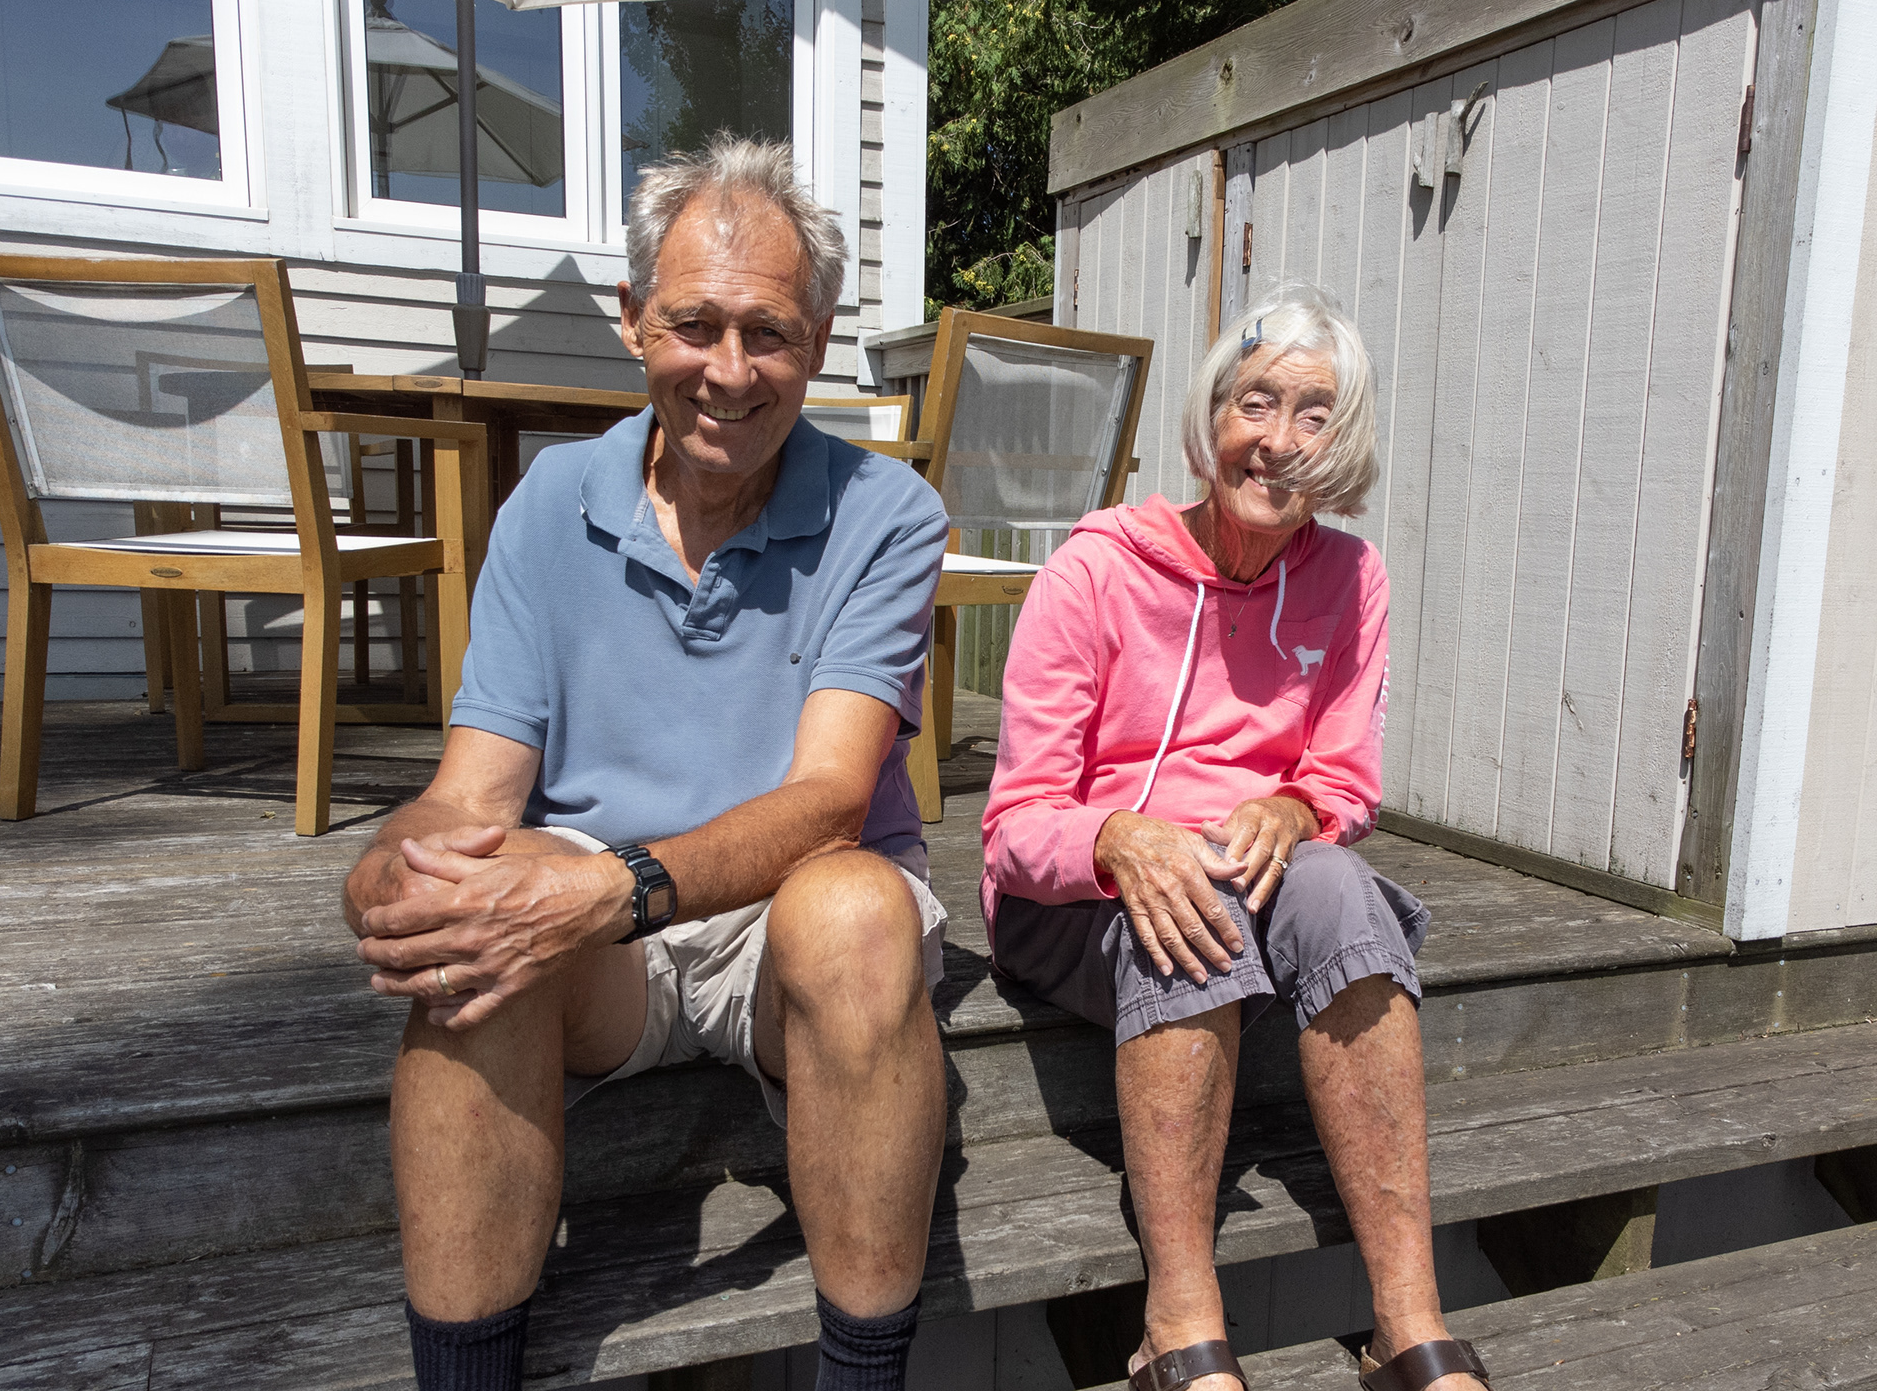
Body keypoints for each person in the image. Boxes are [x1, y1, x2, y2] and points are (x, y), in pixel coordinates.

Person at [343, 137, 951, 1391]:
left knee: (856, 911)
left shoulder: (888, 514)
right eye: (694, 325)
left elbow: (831, 800)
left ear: (819, 340)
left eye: (768, 333)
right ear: (633, 321)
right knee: (472, 917)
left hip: (788, 927)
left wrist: (611, 887)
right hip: (603, 945)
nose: (728, 370)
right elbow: (471, 794)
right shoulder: (548, 499)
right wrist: (396, 868)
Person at [981, 284, 1491, 1391]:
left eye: (1315, 415)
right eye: (1255, 402)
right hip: (1075, 894)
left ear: (1343, 444)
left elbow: (1343, 778)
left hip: (1242, 878)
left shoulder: (1351, 579)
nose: (1279, 440)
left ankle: (1409, 1322)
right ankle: (1179, 1322)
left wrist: (1296, 810)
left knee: (1342, 887)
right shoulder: (1094, 570)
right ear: (1211, 416)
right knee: (1193, 897)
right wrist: (1120, 838)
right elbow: (1016, 824)